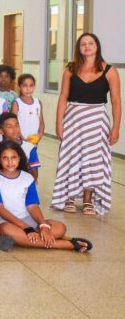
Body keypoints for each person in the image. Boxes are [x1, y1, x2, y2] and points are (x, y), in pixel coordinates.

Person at [52, 34, 120, 215]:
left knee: (93, 160)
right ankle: (69, 198)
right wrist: (59, 123)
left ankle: (89, 199)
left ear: (97, 46)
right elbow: (63, 97)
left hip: (97, 121)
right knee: (71, 157)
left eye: (91, 43)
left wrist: (116, 127)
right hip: (73, 119)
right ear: (78, 48)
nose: (87, 47)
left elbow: (116, 100)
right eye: (83, 44)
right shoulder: (70, 69)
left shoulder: (110, 71)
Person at [0, 140, 92, 253]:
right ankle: (63, 244)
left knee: (60, 227)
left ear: (20, 158)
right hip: (1, 220)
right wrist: (26, 228)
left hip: (25, 218)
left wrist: (43, 226)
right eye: (5, 158)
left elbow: (32, 206)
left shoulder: (27, 178)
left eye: (13, 157)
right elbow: (1, 210)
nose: (10, 161)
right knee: (7, 230)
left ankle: (31, 238)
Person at [0, 112, 40, 180]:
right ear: (1, 131)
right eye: (9, 126)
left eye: (17, 125)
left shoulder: (29, 148)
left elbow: (34, 176)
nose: (15, 129)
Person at [11, 73, 44, 144]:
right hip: (20, 141)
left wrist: (39, 136)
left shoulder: (38, 102)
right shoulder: (17, 103)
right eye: (25, 86)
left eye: (31, 85)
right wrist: (23, 139)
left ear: (34, 87)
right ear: (19, 87)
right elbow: (13, 123)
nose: (28, 89)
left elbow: (41, 122)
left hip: (34, 141)